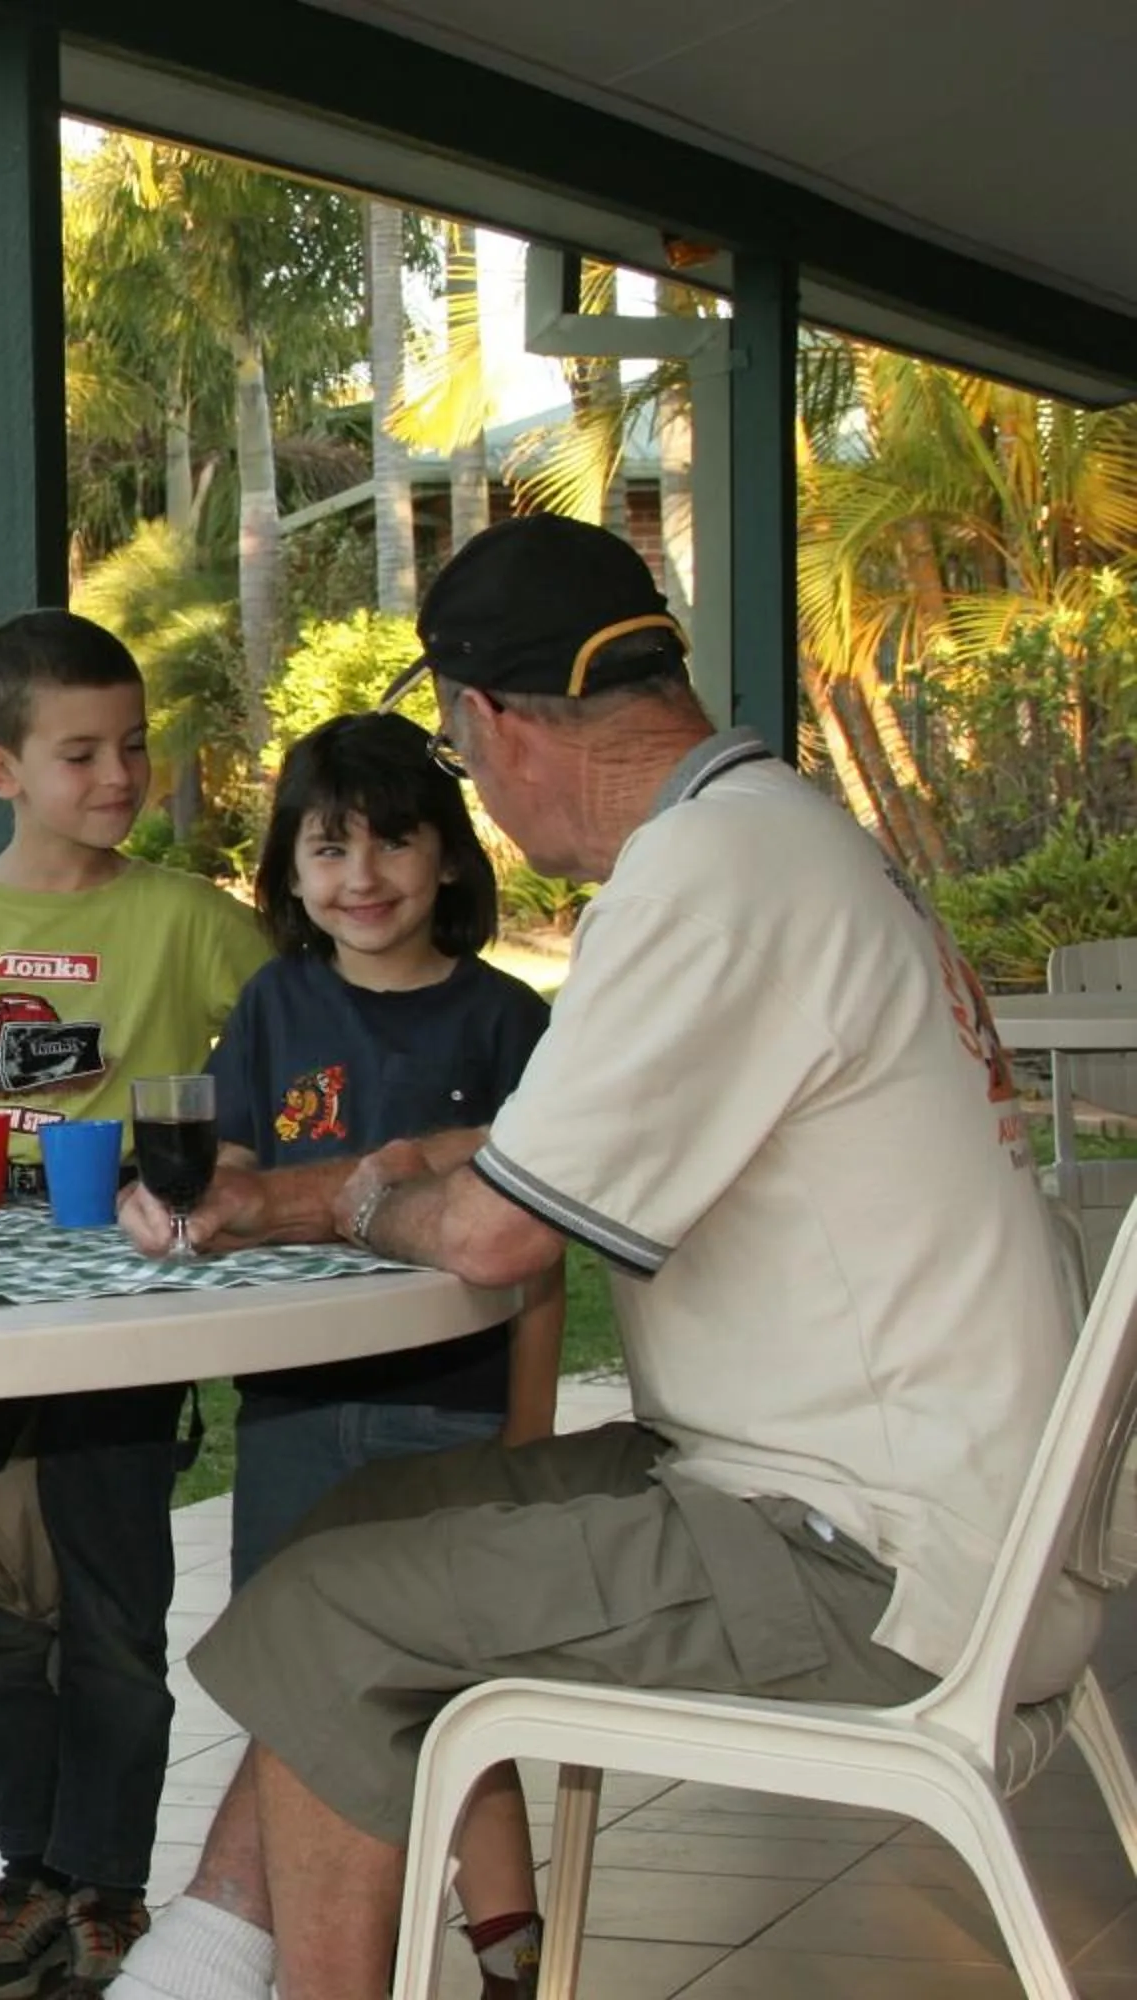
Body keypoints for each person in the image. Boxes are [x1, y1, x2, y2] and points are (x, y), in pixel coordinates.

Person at [115, 515, 1102, 2000]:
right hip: (907, 1515)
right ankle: (198, 1963)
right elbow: (532, 1147)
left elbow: (499, 1229)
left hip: (874, 1567)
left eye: (454, 763)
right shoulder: (777, 836)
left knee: (334, 1614)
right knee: (352, 1533)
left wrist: (357, 1200)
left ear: (496, 724)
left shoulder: (708, 875)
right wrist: (324, 1193)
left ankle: (209, 1971)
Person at [0, 609, 269, 2000]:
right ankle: (27, 1878)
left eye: (133, 746)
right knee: (1, 1612)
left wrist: (232, 1160)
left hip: (123, 1324)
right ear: (1, 769)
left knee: (115, 1610)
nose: (121, 775)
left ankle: (106, 1891)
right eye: (80, 752)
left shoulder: (185, 921)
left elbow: (293, 1048)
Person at [197, 710, 560, 1999]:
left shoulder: (507, 1022)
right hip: (292, 1414)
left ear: (453, 858)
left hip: (446, 1416)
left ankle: (511, 1953)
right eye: (328, 844)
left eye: (395, 840)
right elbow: (228, 1167)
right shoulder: (273, 1003)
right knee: (300, 1699)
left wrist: (527, 1433)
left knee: (457, 1702)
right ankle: (303, 1951)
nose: (362, 874)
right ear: (288, 871)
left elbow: (541, 1263)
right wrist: (182, 1196)